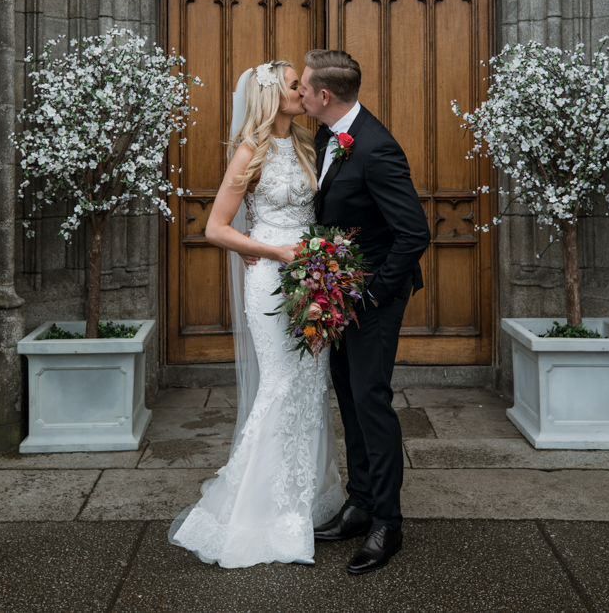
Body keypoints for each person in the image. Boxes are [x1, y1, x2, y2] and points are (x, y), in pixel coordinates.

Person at [168, 60, 343, 568]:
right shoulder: (252, 150)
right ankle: (259, 513)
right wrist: (272, 252)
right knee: (281, 385)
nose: (303, 90)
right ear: (272, 96)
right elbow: (217, 229)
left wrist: (317, 257)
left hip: (312, 278)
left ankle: (301, 497)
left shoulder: (310, 144)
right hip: (272, 283)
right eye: (295, 85)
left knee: (312, 385)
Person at [300, 49, 431, 575]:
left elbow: (414, 233)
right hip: (339, 295)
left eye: (305, 88)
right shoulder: (327, 136)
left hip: (373, 299)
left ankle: (388, 523)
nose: (300, 95)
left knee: (372, 401)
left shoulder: (376, 148)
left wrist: (372, 294)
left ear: (325, 96)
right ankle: (359, 503)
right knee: (348, 396)